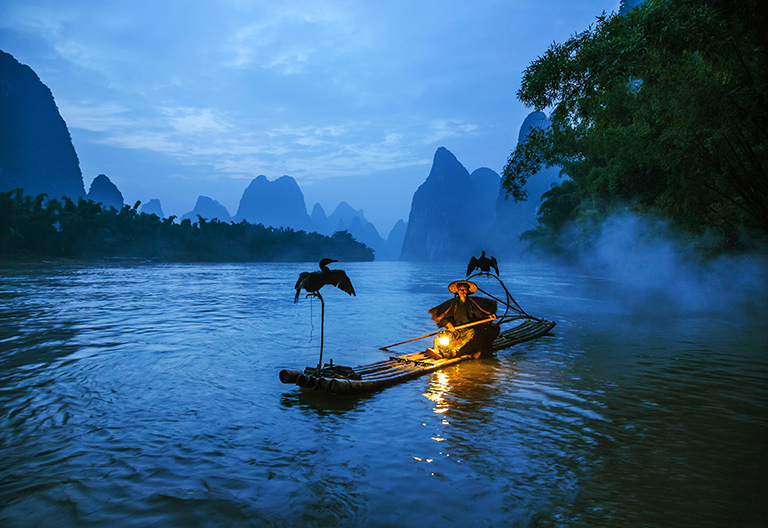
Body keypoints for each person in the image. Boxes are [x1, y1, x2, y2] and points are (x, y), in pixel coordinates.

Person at [426, 280, 500, 359]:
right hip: (457, 330)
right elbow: (444, 318)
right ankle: (436, 351)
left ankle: (454, 352)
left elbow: (481, 315)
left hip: (469, 330)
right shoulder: (453, 305)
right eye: (460, 289)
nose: (462, 291)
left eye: (464, 289)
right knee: (442, 334)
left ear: (468, 291)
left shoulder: (473, 304)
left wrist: (490, 317)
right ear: (457, 291)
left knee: (472, 333)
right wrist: (448, 324)